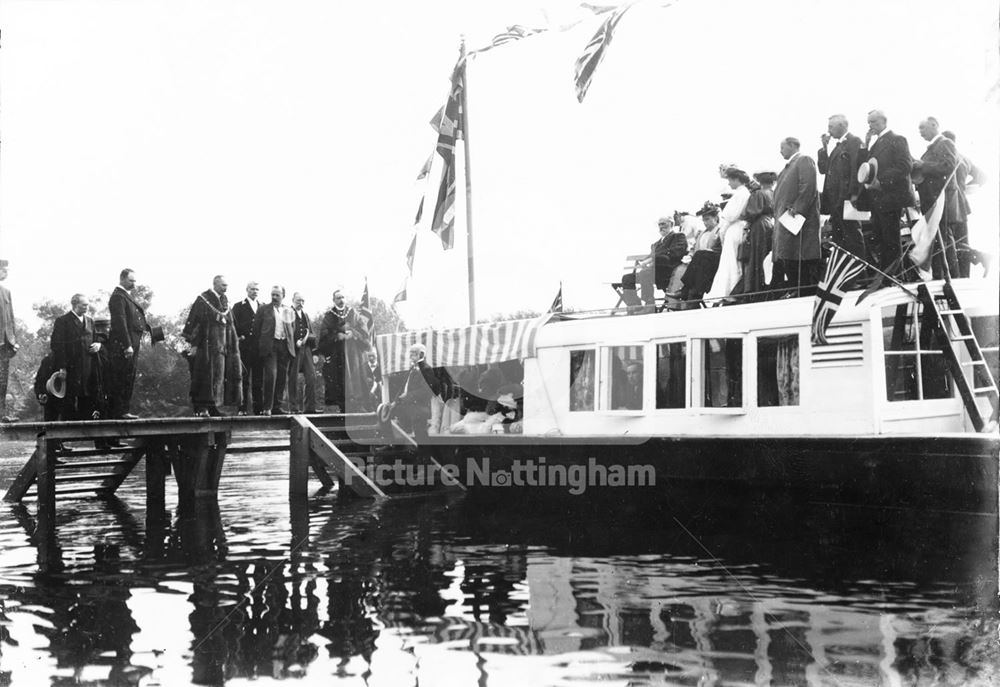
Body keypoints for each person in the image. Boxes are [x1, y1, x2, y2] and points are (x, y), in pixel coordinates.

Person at [855, 110, 913, 272]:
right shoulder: (875, 143)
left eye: (873, 122)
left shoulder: (897, 139)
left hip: (891, 197)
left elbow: (905, 166)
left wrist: (881, 181)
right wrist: (865, 146)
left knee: (891, 240)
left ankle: (894, 275)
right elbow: (864, 167)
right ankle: (887, 274)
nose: (870, 126)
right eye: (869, 123)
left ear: (883, 121)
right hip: (878, 199)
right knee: (881, 238)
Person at [181, 276, 242, 417]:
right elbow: (195, 323)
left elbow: (230, 324)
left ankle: (214, 405)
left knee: (219, 377)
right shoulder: (203, 300)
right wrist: (194, 345)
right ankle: (202, 408)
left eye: (227, 285)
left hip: (222, 347)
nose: (225, 288)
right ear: (214, 284)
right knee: (205, 376)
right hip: (206, 346)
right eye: (222, 285)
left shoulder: (225, 301)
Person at [913, 117, 962, 278]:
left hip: (942, 200)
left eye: (922, 128)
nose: (920, 132)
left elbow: (949, 166)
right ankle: (940, 275)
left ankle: (952, 276)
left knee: (944, 238)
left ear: (934, 126)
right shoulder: (932, 148)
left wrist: (923, 165)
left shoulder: (945, 143)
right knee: (937, 237)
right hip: (933, 200)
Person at [771, 137, 821, 292]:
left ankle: (803, 290)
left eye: (783, 147)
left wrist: (797, 209)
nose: (780, 151)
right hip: (787, 220)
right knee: (788, 256)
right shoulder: (787, 167)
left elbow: (808, 187)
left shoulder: (804, 160)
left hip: (796, 220)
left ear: (792, 146)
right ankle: (796, 289)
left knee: (799, 257)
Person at [817, 114, 865, 258]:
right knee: (840, 237)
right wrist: (824, 148)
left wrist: (853, 195)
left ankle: (857, 273)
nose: (828, 131)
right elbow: (823, 169)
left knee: (852, 235)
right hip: (835, 201)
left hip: (848, 198)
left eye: (831, 127)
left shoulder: (854, 142)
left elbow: (857, 170)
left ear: (841, 126)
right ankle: (844, 273)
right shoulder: (837, 147)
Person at [317, 290, 371, 412]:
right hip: (338, 355)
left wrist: (354, 333)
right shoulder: (329, 316)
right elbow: (324, 337)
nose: (341, 300)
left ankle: (358, 405)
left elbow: (365, 334)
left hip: (355, 355)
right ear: (333, 300)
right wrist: (336, 336)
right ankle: (343, 407)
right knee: (339, 379)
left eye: (342, 297)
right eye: (338, 298)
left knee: (357, 377)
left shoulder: (354, 314)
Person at [942, 130, 985, 277]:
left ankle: (955, 276)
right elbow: (983, 177)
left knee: (950, 243)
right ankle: (965, 276)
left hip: (949, 206)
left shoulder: (944, 158)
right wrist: (964, 188)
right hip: (963, 205)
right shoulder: (964, 159)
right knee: (962, 241)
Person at [620, 217, 689, 309]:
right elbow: (648, 259)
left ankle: (650, 305)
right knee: (627, 278)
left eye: (664, 224)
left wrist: (653, 258)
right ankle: (635, 306)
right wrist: (646, 261)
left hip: (668, 273)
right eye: (659, 224)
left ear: (672, 224)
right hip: (653, 272)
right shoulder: (655, 244)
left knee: (645, 273)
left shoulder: (678, 237)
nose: (661, 227)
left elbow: (675, 252)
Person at [108, 268, 149, 419]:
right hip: (124, 345)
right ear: (122, 279)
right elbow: (120, 322)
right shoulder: (118, 297)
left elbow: (134, 320)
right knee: (121, 378)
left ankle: (123, 411)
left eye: (135, 281)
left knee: (128, 377)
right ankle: (119, 412)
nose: (134, 284)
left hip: (132, 343)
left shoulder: (126, 296)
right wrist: (127, 345)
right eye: (131, 281)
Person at [51, 294, 100, 420]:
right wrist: (62, 367)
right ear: (75, 304)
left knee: (87, 398)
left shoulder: (90, 321)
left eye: (87, 305)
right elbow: (57, 346)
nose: (87, 307)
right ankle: (68, 432)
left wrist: (98, 345)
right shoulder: (63, 321)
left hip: (88, 368)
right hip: (70, 368)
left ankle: (85, 432)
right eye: (84, 305)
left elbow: (96, 339)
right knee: (69, 399)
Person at [706, 167, 752, 302]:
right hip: (736, 227)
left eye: (730, 180)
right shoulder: (742, 193)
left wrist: (723, 229)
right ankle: (730, 290)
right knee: (731, 260)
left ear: (737, 179)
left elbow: (731, 215)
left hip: (735, 228)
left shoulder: (741, 193)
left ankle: (730, 290)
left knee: (731, 260)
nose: (729, 183)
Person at [252, 285, 295, 415]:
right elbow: (256, 330)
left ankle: (277, 406)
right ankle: (267, 407)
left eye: (277, 295)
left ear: (283, 296)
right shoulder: (263, 309)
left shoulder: (288, 311)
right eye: (273, 294)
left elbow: (292, 329)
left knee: (282, 377)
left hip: (285, 347)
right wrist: (259, 348)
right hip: (270, 347)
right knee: (271, 375)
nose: (274, 297)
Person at [735, 170, 776, 297]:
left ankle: (755, 288)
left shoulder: (758, 194)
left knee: (757, 256)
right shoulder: (774, 193)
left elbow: (751, 213)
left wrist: (741, 216)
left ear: (760, 181)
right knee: (766, 255)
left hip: (759, 225)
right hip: (770, 223)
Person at [389, 343, 441, 442]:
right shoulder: (412, 368)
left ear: (421, 354)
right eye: (410, 353)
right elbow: (403, 387)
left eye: (413, 353)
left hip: (419, 408)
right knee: (401, 433)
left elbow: (426, 391)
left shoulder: (426, 369)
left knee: (421, 437)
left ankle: (424, 456)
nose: (410, 356)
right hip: (408, 407)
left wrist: (407, 396)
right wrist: (395, 401)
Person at [678, 201, 723, 303]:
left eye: (707, 219)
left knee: (701, 255)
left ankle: (685, 290)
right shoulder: (701, 233)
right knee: (696, 258)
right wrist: (689, 255)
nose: (705, 223)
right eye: (703, 220)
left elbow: (720, 249)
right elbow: (694, 248)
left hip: (712, 264)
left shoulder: (720, 231)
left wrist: (706, 252)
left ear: (715, 218)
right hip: (699, 267)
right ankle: (689, 296)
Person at [231, 281, 263, 415]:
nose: (254, 291)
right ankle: (242, 408)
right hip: (244, 347)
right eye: (252, 289)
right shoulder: (238, 306)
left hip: (258, 348)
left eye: (257, 289)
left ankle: (258, 408)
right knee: (243, 378)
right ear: (247, 290)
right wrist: (239, 336)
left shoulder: (263, 306)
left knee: (258, 379)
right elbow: (232, 324)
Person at [287, 292, 317, 414]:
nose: (301, 303)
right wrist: (295, 342)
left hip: (307, 350)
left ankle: (309, 407)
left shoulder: (306, 315)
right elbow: (286, 331)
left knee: (312, 377)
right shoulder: (288, 313)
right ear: (293, 300)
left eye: (303, 301)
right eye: (298, 300)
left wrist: (313, 349)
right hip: (294, 350)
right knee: (293, 379)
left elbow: (312, 334)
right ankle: (293, 407)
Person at [0, 259, 17, 422]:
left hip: (5, 344)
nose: (6, 272)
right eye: (4, 269)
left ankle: (1, 414)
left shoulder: (6, 292)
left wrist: (14, 340)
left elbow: (11, 318)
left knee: (2, 380)